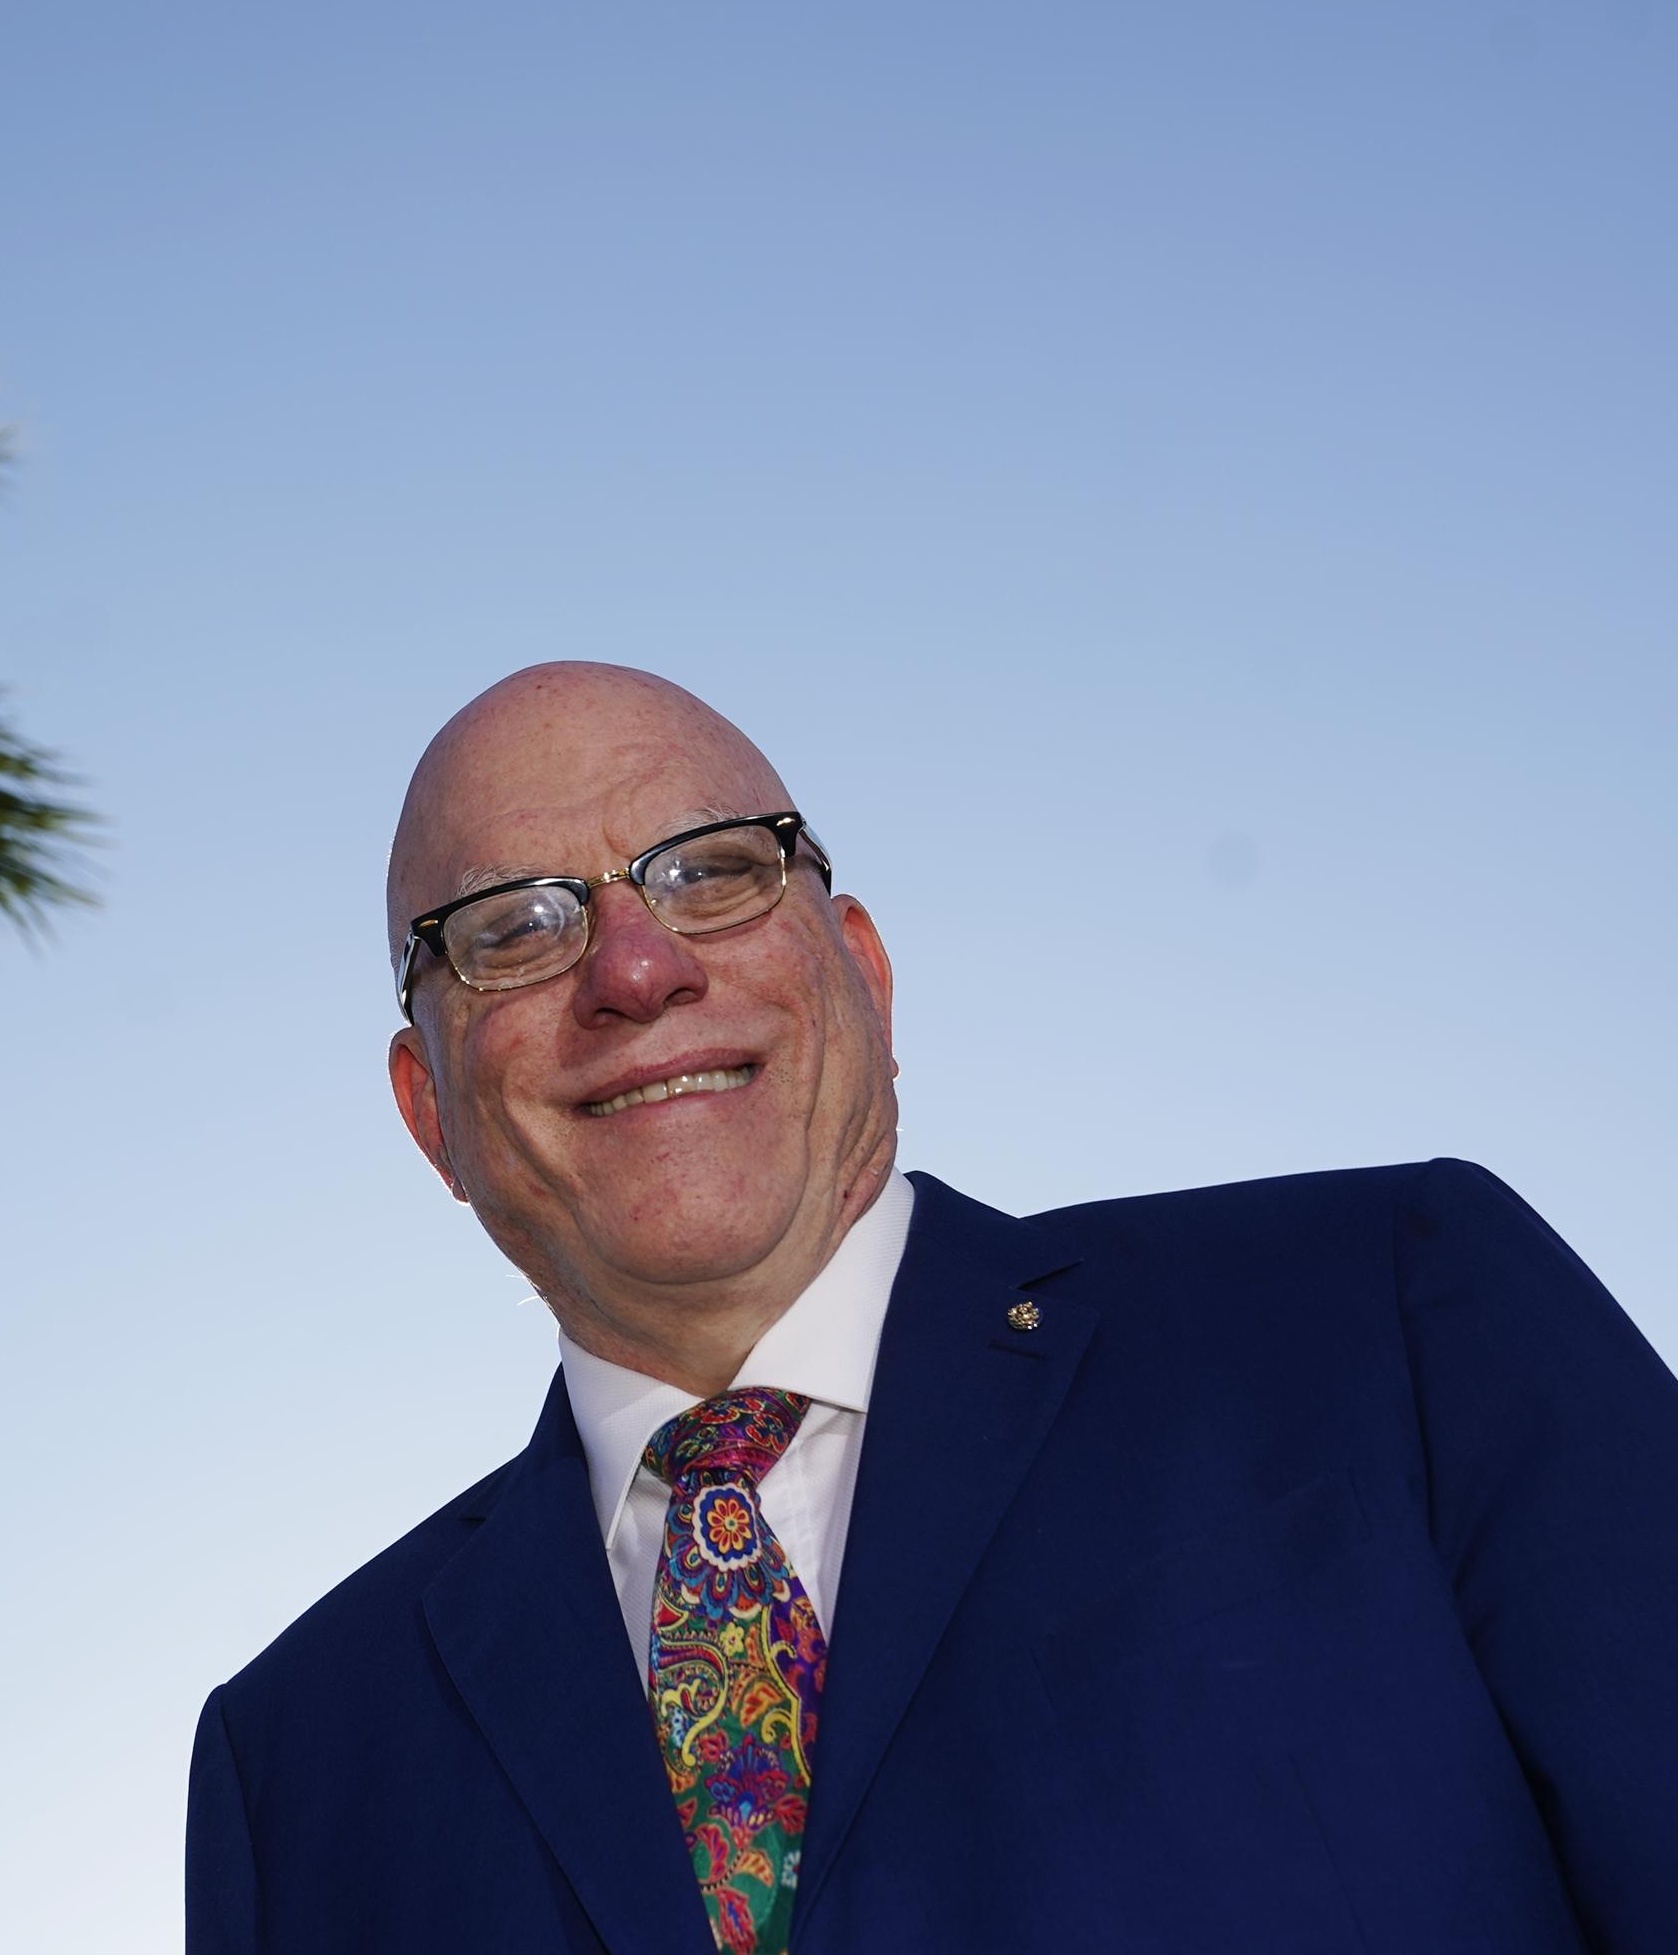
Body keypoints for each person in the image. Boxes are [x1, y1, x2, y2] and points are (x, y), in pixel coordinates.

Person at [183, 662, 1678, 1954]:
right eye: (513, 927)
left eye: (713, 871)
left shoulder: (1386, 1318)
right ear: (427, 1110)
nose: (635, 969)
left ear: (863, 971)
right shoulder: (300, 1762)